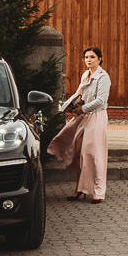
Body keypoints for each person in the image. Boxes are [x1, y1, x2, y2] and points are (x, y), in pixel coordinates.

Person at [47, 46, 110, 203]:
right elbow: (79, 93)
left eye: (92, 57)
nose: (88, 60)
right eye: (86, 57)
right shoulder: (85, 75)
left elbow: (101, 101)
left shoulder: (103, 77)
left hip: (97, 117)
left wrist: (83, 108)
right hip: (84, 117)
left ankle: (98, 192)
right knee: (78, 152)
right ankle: (80, 188)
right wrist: (67, 106)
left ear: (100, 59)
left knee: (94, 155)